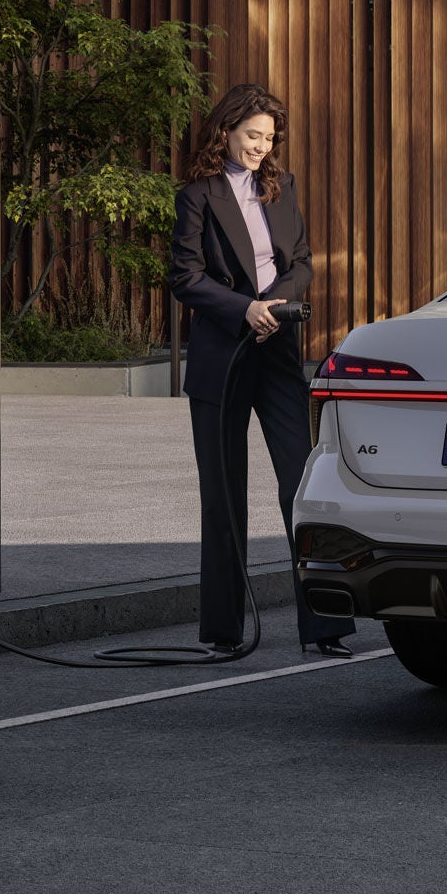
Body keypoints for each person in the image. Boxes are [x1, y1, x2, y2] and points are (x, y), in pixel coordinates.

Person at [168, 83, 355, 657]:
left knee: (302, 486)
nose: (260, 146)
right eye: (253, 135)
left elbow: (301, 263)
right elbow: (185, 277)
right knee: (222, 496)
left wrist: (274, 306)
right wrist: (243, 308)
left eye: (269, 138)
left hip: (276, 351)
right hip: (221, 355)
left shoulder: (283, 186)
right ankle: (223, 633)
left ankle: (323, 628)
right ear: (226, 129)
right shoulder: (197, 194)